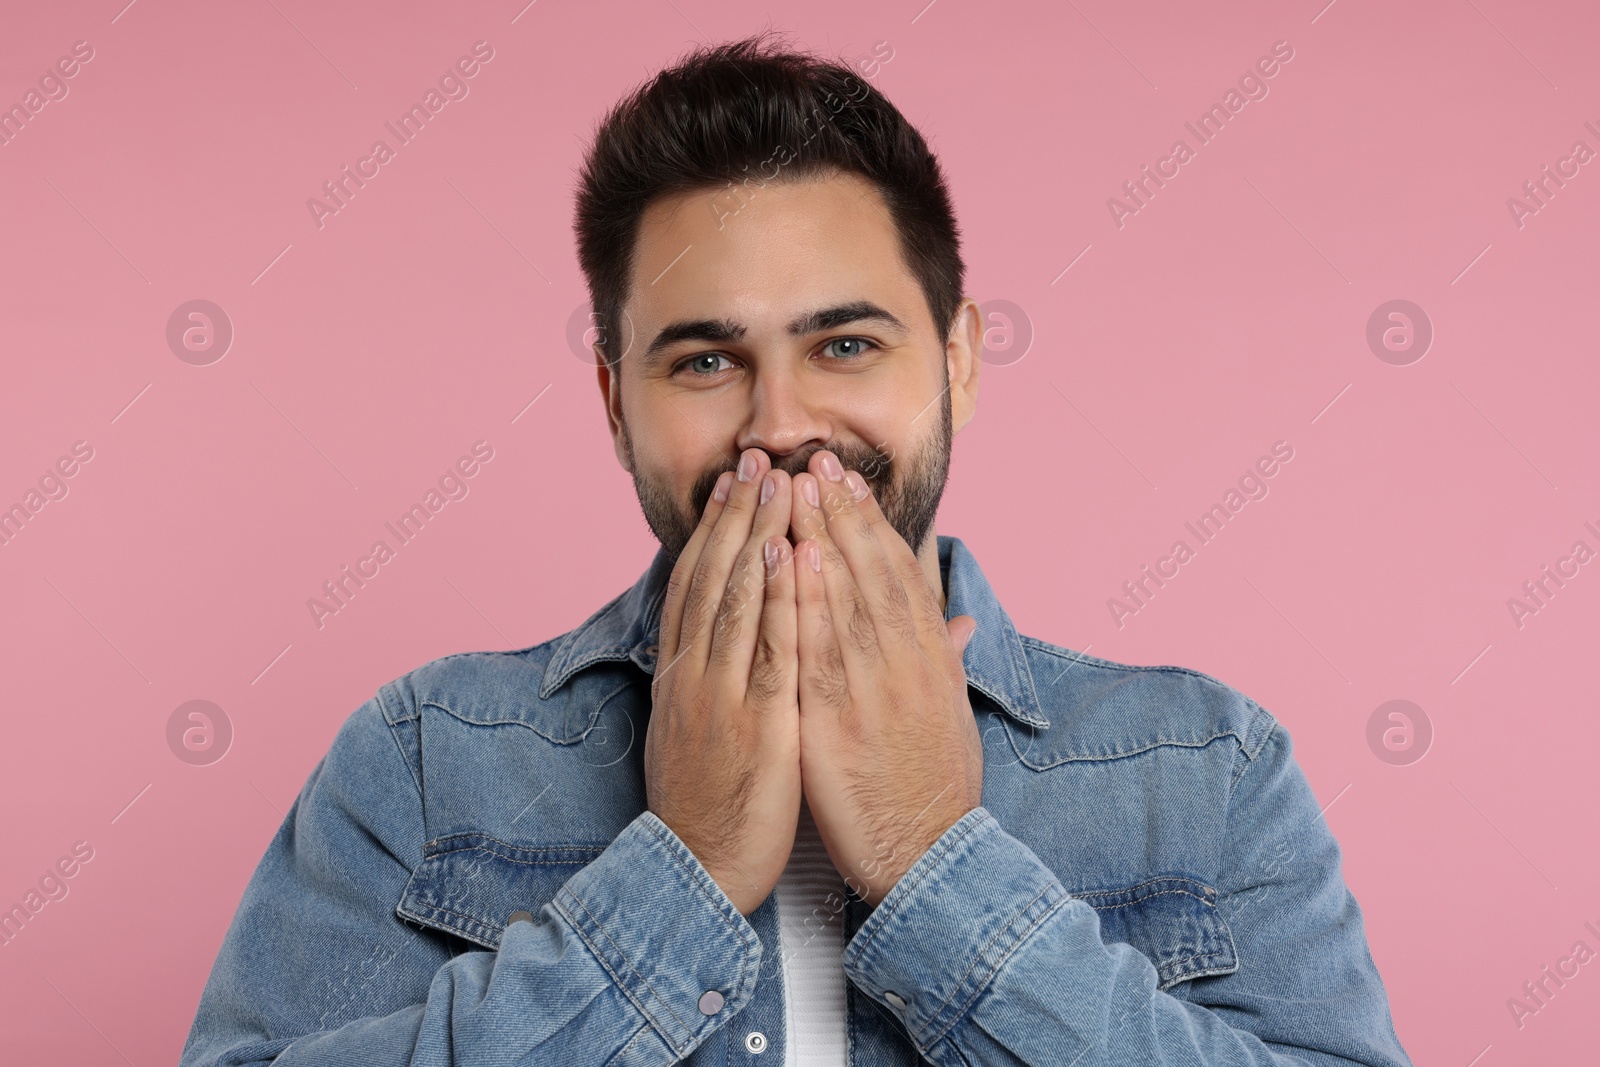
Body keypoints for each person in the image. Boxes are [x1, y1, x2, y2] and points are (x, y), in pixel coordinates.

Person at [180, 31, 1412, 1067]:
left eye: (846, 345)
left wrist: (938, 861)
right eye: (705, 360)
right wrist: (682, 876)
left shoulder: (1204, 768)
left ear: (960, 360)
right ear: (615, 402)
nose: (777, 426)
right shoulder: (424, 759)